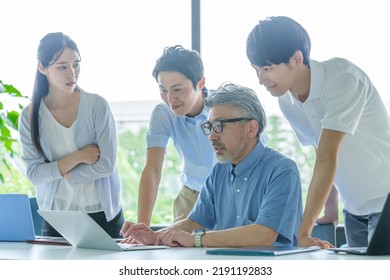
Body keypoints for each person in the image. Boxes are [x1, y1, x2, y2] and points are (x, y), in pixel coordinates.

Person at [246, 16, 390, 248]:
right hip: (353, 210)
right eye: (256, 69)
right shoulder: (286, 100)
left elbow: (326, 157)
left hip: (385, 202)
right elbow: (319, 148)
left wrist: (304, 232)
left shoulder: (343, 80)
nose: (261, 79)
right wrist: (331, 209)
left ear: (296, 58)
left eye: (267, 68)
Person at [121, 83, 303, 247]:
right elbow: (194, 222)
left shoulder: (282, 170)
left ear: (251, 128)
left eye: (219, 126)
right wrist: (156, 236)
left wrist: (197, 239)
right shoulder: (219, 171)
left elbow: (264, 234)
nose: (211, 136)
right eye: (209, 127)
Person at [19, 32, 124, 238]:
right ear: (42, 68)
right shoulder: (30, 116)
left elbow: (107, 165)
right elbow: (34, 174)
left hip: (103, 215)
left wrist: (68, 174)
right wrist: (78, 157)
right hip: (57, 217)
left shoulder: (96, 105)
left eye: (76, 64)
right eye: (62, 67)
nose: (72, 73)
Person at [137, 45, 217, 226]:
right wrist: (142, 225)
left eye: (177, 89)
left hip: (229, 195)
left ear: (200, 83)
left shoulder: (223, 107)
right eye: (163, 90)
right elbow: (152, 170)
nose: (170, 99)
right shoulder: (163, 113)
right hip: (190, 197)